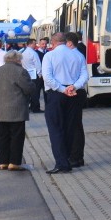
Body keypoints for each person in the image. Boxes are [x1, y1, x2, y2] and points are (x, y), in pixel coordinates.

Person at [41, 32, 88, 174]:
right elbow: (85, 75)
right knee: (70, 128)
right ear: (65, 41)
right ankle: (67, 158)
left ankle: (62, 163)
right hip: (74, 93)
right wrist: (74, 86)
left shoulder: (49, 55)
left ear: (53, 43)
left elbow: (47, 77)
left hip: (56, 94)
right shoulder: (77, 54)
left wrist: (62, 89)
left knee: (56, 129)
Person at [0, 50, 36, 170]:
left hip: (0, 110)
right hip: (17, 110)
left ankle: (3, 162)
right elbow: (29, 88)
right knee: (17, 137)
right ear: (17, 60)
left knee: (3, 136)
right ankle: (14, 162)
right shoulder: (20, 71)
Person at [66, 32, 87, 168]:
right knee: (78, 126)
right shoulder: (79, 54)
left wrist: (72, 87)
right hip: (78, 91)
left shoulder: (71, 55)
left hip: (71, 92)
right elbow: (84, 75)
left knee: (72, 127)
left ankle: (74, 157)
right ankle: (78, 157)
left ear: (69, 43)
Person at [21, 38, 43, 113]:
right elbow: (38, 64)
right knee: (35, 92)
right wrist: (40, 74)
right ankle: (35, 107)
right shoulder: (33, 53)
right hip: (34, 75)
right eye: (34, 43)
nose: (35, 45)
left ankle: (29, 106)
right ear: (30, 44)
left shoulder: (23, 53)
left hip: (26, 74)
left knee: (28, 92)